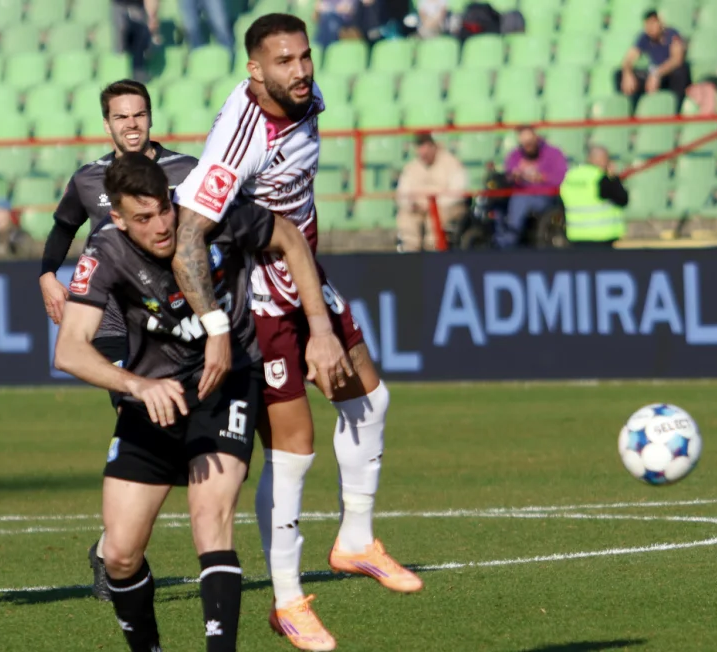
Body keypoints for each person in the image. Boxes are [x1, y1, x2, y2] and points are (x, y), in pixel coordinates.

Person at [171, 14, 422, 651]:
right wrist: (215, 325)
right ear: (254, 71)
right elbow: (186, 239)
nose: (302, 70)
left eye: (305, 56)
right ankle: (287, 601)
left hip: (304, 272)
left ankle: (356, 539)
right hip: (256, 295)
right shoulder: (240, 139)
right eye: (284, 61)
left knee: (371, 400)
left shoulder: (306, 101)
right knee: (296, 446)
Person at [54, 152, 343, 652]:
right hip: (154, 393)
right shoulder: (104, 252)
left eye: (164, 209)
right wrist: (136, 386)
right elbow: (69, 349)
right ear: (118, 219)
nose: (162, 225)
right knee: (120, 553)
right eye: (143, 219)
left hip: (226, 380)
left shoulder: (215, 215)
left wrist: (320, 329)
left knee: (210, 517)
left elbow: (291, 239)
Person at [35, 79, 199, 601]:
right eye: (121, 117)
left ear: (151, 118)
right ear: (107, 124)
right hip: (107, 316)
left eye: (139, 115)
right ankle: (122, 554)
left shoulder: (185, 171)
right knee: (142, 416)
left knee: (175, 433)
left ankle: (110, 548)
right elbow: (63, 229)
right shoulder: (88, 179)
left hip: (168, 318)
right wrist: (46, 275)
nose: (131, 124)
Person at [395, 132, 468, 251]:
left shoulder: (451, 163)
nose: (423, 153)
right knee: (406, 223)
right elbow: (402, 193)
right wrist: (411, 204)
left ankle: (433, 259)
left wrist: (433, 205)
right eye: (420, 147)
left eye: (427, 147)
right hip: (417, 208)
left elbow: (458, 192)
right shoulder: (411, 167)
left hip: (443, 208)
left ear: (434, 147)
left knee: (433, 228)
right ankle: (409, 260)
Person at [497, 125, 567, 250]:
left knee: (520, 200)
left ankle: (509, 241)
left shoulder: (554, 154)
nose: (527, 147)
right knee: (496, 203)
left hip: (546, 196)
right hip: (518, 193)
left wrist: (541, 177)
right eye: (524, 144)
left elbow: (561, 178)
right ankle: (497, 239)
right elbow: (508, 176)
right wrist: (515, 176)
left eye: (529, 143)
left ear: (536, 138)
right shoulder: (515, 155)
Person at [615, 10, 691, 112]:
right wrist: (627, 73)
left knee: (680, 72)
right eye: (647, 25)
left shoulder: (672, 34)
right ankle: (630, 110)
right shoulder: (644, 38)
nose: (650, 28)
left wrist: (657, 73)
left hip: (667, 74)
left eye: (653, 23)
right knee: (619, 74)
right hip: (653, 74)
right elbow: (629, 58)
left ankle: (677, 109)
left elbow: (677, 59)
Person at [559, 145, 628, 249]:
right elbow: (622, 199)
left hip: (576, 234)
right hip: (601, 236)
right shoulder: (600, 178)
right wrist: (614, 178)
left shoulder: (570, 175)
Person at [112, 0, 160, 81]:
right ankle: (121, 71)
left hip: (138, 7)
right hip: (119, 5)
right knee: (121, 36)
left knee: (142, 33)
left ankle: (138, 70)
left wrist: (152, 16)